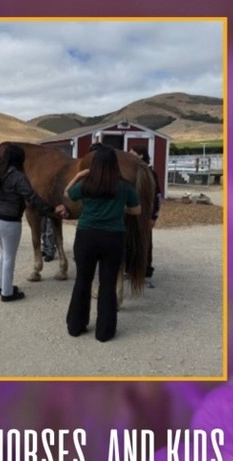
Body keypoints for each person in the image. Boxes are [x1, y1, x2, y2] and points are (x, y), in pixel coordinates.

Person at [58, 144, 141, 342]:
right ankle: (104, 331)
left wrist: (78, 176)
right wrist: (122, 209)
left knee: (82, 281)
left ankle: (76, 326)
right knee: (107, 284)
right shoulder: (124, 186)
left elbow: (67, 195)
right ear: (115, 165)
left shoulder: (86, 184)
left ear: (94, 165)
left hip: (86, 236)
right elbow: (136, 211)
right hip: (113, 237)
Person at [0, 143, 55, 302]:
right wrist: (51, 209)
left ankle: (0, 286)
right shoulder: (18, 176)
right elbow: (31, 197)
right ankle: (7, 293)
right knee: (9, 257)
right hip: (9, 220)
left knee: (3, 254)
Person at [130, 147, 162, 286]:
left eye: (132, 154)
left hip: (145, 215)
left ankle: (146, 273)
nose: (129, 157)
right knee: (129, 242)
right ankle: (130, 270)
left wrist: (154, 217)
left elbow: (157, 197)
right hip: (131, 215)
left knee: (145, 244)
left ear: (141, 156)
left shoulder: (151, 174)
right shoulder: (130, 173)